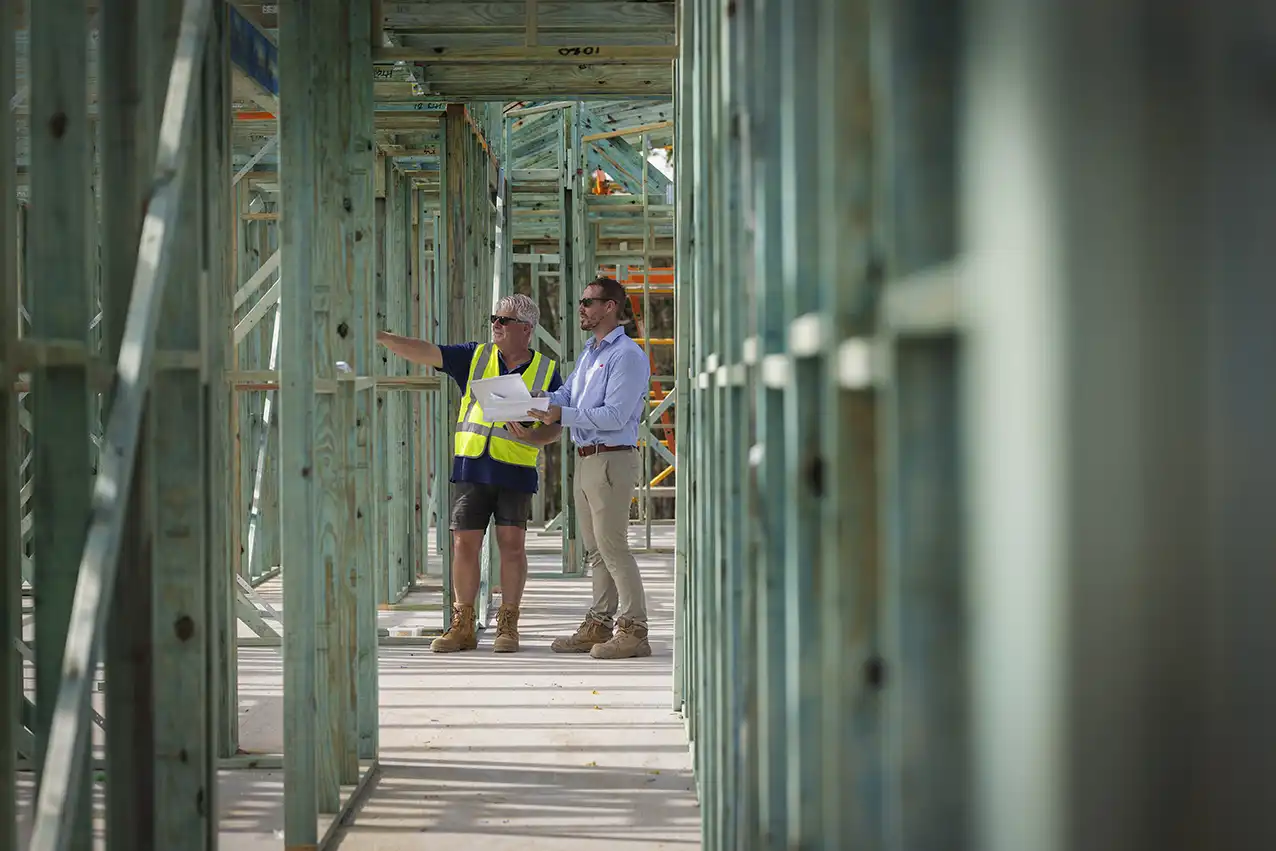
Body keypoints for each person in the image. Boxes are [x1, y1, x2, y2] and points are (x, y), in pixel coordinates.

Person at [376, 293, 562, 653]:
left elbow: (555, 427)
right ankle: (463, 625)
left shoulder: (547, 370)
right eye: (494, 318)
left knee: (512, 546)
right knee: (463, 544)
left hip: (515, 469)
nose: (495, 324)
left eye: (503, 321)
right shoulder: (475, 356)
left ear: (526, 329)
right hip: (472, 465)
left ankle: (508, 624)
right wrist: (385, 337)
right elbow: (428, 351)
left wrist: (535, 436)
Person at [527, 277, 652, 660]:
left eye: (588, 302)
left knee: (613, 546)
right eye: (581, 301)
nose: (580, 308)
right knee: (596, 550)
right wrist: (532, 400)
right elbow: (568, 396)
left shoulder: (626, 355)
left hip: (611, 456)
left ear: (610, 307)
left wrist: (560, 413)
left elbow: (614, 415)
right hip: (587, 457)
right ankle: (600, 621)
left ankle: (635, 630)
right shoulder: (590, 352)